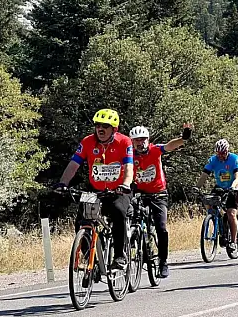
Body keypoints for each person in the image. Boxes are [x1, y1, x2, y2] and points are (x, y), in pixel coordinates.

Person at [54, 109, 133, 269]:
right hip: (95, 189)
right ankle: (91, 261)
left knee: (118, 211)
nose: (100, 129)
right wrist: (63, 183)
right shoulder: (88, 142)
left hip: (118, 189)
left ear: (114, 129)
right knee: (82, 221)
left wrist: (125, 184)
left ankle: (119, 255)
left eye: (105, 126)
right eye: (97, 125)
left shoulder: (124, 142)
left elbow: (128, 167)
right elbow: (73, 164)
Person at [129, 123, 193, 278]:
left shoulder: (154, 150)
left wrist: (183, 138)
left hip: (158, 194)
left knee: (161, 227)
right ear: (131, 142)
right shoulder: (129, 155)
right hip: (139, 193)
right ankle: (134, 244)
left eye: (143, 139)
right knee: (129, 218)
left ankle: (163, 261)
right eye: (136, 140)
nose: (140, 142)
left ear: (148, 139)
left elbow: (170, 146)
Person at [196, 139, 238, 250]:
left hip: (234, 187)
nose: (220, 156)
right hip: (220, 187)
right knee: (207, 201)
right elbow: (204, 175)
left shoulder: (235, 159)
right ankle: (215, 218)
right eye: (218, 153)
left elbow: (237, 176)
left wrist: (233, 186)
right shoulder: (213, 160)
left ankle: (233, 241)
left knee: (231, 213)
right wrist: (196, 187)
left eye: (223, 153)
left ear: (227, 151)